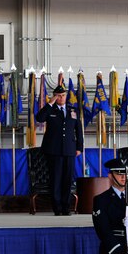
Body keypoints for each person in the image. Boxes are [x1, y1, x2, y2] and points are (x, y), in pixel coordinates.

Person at [35, 85, 83, 216]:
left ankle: (66, 207)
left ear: (66, 96)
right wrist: (50, 103)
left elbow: (78, 130)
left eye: (63, 95)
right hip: (54, 150)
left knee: (67, 179)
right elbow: (39, 118)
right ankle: (57, 208)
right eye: (58, 96)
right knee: (56, 180)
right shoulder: (50, 110)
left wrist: (79, 147)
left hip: (69, 150)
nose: (61, 98)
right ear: (55, 96)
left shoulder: (72, 110)